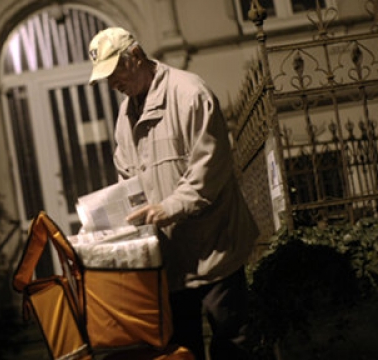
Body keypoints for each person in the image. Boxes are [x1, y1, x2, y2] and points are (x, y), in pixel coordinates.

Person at [87, 27, 260, 360]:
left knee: (232, 345)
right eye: (104, 78)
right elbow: (128, 179)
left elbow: (210, 170)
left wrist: (167, 208)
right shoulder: (125, 117)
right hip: (172, 262)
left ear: (135, 57)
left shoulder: (190, 93)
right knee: (181, 351)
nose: (111, 85)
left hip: (215, 252)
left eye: (114, 73)